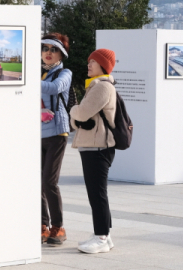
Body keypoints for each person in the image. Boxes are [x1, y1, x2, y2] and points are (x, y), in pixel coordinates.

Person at [69, 48, 117, 254]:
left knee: (97, 194)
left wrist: (73, 110)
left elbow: (80, 113)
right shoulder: (97, 85)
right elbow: (80, 118)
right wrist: (77, 115)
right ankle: (105, 234)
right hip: (94, 145)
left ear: (103, 66)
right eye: (88, 61)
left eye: (93, 62)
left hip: (98, 147)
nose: (89, 65)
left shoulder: (101, 87)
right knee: (97, 193)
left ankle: (101, 237)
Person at [40, 33, 72, 246]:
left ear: (61, 54)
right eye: (45, 48)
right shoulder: (37, 74)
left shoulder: (65, 73)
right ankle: (42, 225)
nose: (48, 53)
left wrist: (23, 80)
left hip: (57, 133)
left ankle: (58, 227)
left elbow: (55, 88)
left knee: (49, 182)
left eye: (54, 49)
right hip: (36, 133)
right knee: (36, 182)